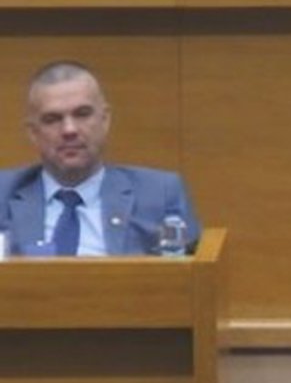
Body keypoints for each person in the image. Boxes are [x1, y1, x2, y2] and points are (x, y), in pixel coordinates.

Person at [0, 60, 201, 256]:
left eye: (82, 114)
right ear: (33, 132)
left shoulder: (159, 194)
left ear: (105, 120)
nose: (69, 130)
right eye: (52, 119)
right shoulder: (4, 193)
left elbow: (190, 273)